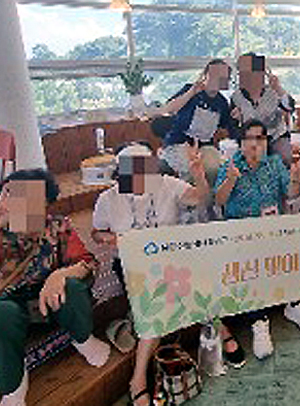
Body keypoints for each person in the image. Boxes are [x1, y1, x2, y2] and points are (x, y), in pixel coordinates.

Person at [0, 169, 109, 406]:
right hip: (4, 308)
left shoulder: (57, 226)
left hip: (47, 304)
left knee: (73, 287)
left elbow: (87, 263)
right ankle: (14, 384)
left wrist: (60, 274)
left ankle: (83, 340)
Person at [90, 143, 244, 405]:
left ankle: (138, 379)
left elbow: (201, 198)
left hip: (170, 260)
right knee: (163, 298)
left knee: (184, 283)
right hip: (132, 266)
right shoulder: (108, 199)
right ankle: (220, 331)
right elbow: (96, 232)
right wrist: (110, 239)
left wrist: (198, 175)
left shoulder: (165, 184)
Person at [215, 120, 300, 360]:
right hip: (241, 236)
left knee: (292, 254)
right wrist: (231, 179)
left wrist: (295, 177)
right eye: (250, 138)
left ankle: (293, 305)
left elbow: (291, 194)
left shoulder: (274, 163)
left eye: (261, 138)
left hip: (273, 231)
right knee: (250, 269)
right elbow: (219, 201)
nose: (255, 143)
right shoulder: (230, 166)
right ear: (241, 143)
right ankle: (259, 320)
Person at [160, 59, 237, 221]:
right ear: (205, 74)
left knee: (215, 168)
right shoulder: (190, 90)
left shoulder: (222, 103)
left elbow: (228, 127)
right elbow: (168, 109)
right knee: (191, 170)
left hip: (204, 146)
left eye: (223, 76)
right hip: (178, 143)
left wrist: (237, 117)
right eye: (214, 74)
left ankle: (211, 209)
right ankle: (188, 212)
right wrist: (191, 93)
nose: (217, 79)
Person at [230, 52, 295, 167]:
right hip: (252, 138)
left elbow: (290, 107)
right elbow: (232, 128)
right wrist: (239, 122)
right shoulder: (236, 97)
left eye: (247, 74)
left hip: (276, 136)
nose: (242, 78)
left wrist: (278, 89)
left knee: (285, 157)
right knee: (244, 161)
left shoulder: (274, 92)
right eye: (241, 74)